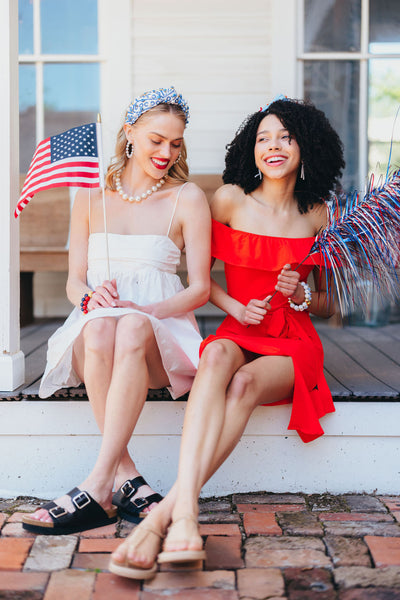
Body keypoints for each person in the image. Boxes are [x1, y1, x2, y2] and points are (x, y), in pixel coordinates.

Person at [108, 96, 345, 579]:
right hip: (241, 327)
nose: (272, 146)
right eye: (263, 138)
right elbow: (201, 277)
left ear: (306, 146)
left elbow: (331, 304)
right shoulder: (230, 199)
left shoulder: (320, 213)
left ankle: (168, 515)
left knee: (242, 385)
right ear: (250, 149)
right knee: (214, 354)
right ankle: (186, 517)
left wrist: (300, 294)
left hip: (292, 341)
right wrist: (237, 307)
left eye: (285, 137)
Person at [22, 86, 211, 535]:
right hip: (98, 337)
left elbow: (200, 288)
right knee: (101, 329)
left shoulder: (187, 199)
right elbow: (73, 283)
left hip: (159, 336)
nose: (166, 152)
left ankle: (96, 483)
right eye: (156, 140)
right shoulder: (89, 198)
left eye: (176, 143)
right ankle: (124, 478)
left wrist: (146, 309)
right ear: (129, 134)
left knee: (128, 327)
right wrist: (89, 300)